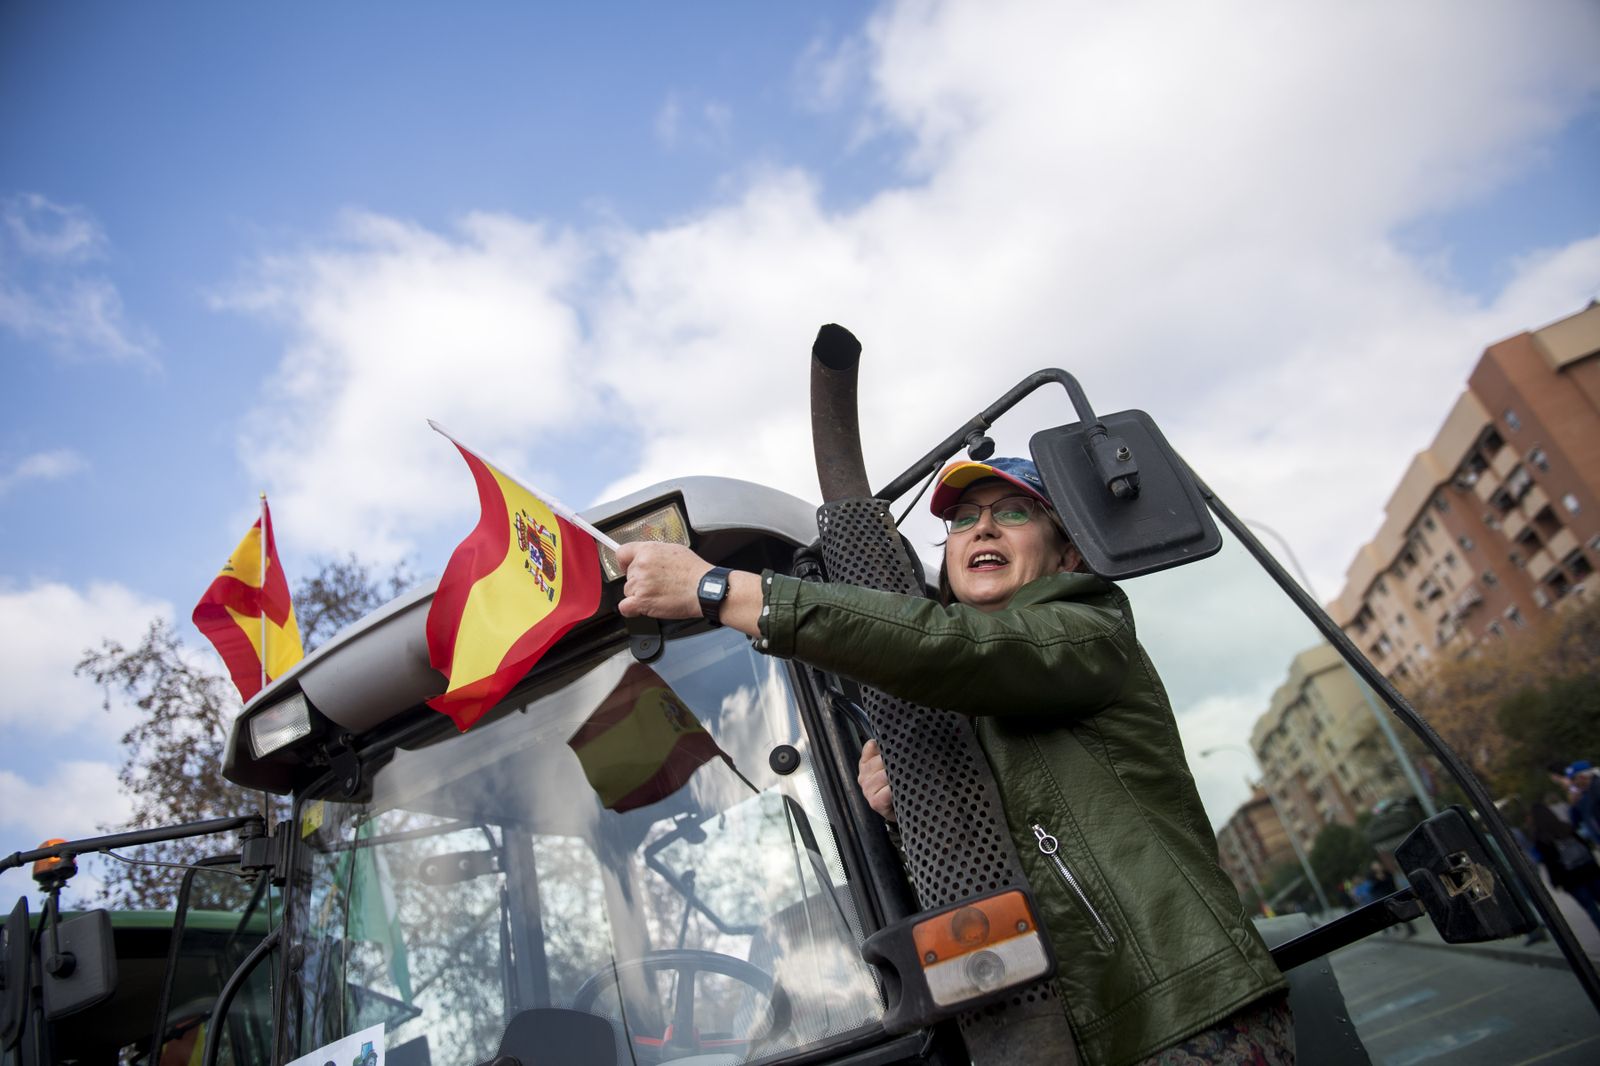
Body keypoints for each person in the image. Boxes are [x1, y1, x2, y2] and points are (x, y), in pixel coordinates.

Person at [618, 457, 1291, 1066]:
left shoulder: (1088, 629)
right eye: (964, 520)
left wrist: (718, 590)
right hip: (1048, 1034)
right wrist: (909, 807)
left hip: (1178, 1011)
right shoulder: (968, 704)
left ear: (1067, 553)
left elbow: (952, 648)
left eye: (1014, 512)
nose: (982, 528)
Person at [1530, 800, 1600, 934]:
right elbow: (1585, 846)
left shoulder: (1541, 839)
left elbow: (1550, 864)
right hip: (1589, 870)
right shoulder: (1565, 827)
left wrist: (1556, 882)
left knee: (1592, 910)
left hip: (1571, 879)